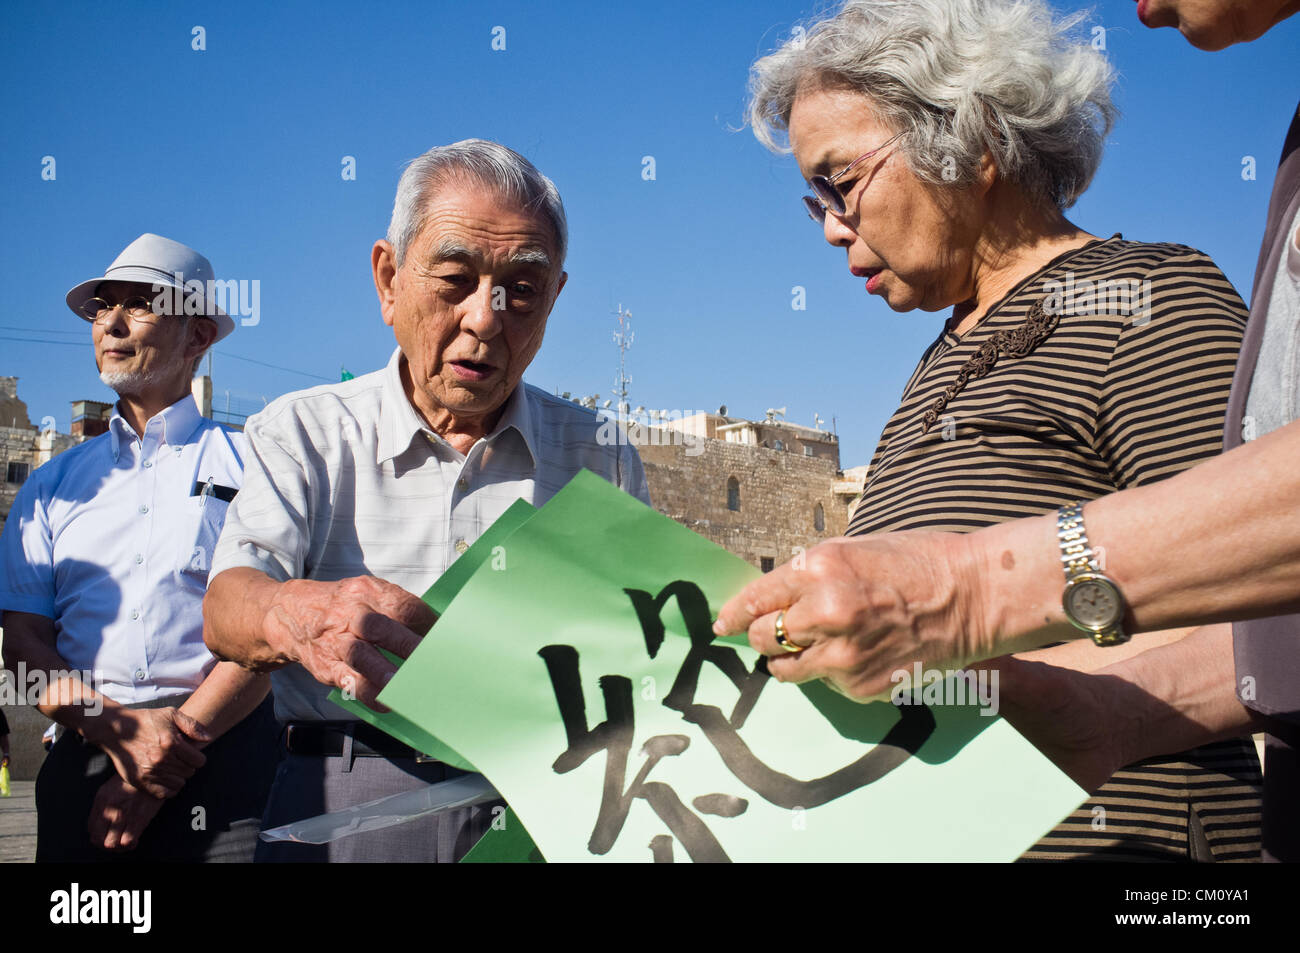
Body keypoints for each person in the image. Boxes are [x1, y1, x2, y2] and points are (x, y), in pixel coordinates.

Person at [715, 0, 1300, 862]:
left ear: (971, 139)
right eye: (815, 203)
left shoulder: (1144, 298)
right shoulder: (935, 361)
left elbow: (1269, 605)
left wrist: (1083, 693)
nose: (834, 227)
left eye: (842, 182)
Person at [203, 139, 650, 863]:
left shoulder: (600, 454)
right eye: (454, 278)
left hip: (542, 799)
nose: (485, 317)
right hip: (345, 797)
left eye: (522, 292)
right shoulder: (306, 431)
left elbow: (636, 645)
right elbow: (227, 607)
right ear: (389, 280)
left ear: (554, 300)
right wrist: (299, 614)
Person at [0, 234, 278, 861]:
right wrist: (115, 729)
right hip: (83, 755)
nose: (113, 324)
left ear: (200, 337)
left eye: (141, 305)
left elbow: (267, 634)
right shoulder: (51, 487)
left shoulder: (257, 467)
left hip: (226, 762)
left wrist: (163, 757)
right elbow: (23, 646)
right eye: (103, 307)